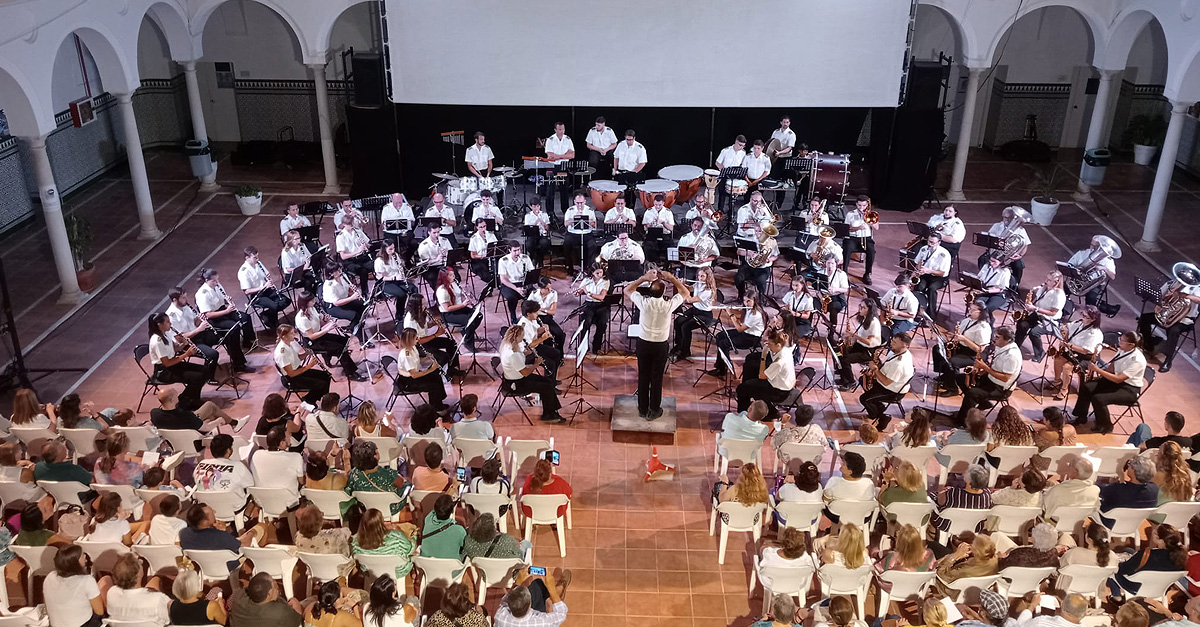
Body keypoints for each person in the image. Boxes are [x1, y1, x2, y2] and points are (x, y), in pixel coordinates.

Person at [625, 270, 689, 419]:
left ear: (650, 291)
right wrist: (672, 278)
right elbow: (685, 292)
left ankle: (642, 408)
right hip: (660, 345)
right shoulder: (668, 305)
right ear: (663, 292)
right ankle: (654, 410)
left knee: (643, 376)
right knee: (657, 378)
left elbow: (627, 290)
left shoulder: (644, 302)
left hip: (644, 343)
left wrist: (643, 278)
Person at [1072, 331, 1147, 434]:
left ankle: (1105, 426)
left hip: (1129, 389)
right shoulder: (1122, 350)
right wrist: (1100, 375)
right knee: (1087, 386)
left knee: (1099, 398)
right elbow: (1113, 366)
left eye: (1122, 341)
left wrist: (1097, 370)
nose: (1119, 342)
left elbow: (1118, 379)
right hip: (1116, 381)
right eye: (1120, 339)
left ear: (1131, 345)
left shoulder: (1137, 360)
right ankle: (1081, 416)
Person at [167, 286, 246, 378]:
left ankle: (238, 364)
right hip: (189, 342)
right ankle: (209, 377)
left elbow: (195, 323)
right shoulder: (171, 316)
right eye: (183, 298)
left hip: (199, 334)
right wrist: (199, 329)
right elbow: (180, 339)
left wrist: (200, 319)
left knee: (230, 335)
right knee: (213, 354)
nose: (187, 300)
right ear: (175, 300)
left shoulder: (185, 307)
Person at [954, 326, 1021, 426]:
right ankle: (982, 403)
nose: (994, 339)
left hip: (1000, 387)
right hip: (991, 378)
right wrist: (982, 371)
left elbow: (1005, 378)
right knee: (961, 378)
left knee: (972, 393)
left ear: (1007, 340)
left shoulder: (1011, 356)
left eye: (997, 337)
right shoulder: (1000, 346)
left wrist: (985, 367)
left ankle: (963, 422)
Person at [294, 290, 364, 382]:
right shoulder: (302, 318)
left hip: (319, 335)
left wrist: (325, 320)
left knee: (344, 340)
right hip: (312, 342)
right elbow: (312, 336)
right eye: (311, 300)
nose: (314, 301)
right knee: (339, 348)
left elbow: (319, 324)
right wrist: (328, 328)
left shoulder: (311, 309)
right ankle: (350, 373)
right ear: (305, 303)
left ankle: (329, 355)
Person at [499, 324, 564, 423]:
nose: (523, 337)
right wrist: (536, 364)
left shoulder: (508, 345)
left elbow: (518, 361)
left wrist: (525, 353)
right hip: (516, 384)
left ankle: (551, 410)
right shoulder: (512, 354)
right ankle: (549, 415)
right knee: (546, 387)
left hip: (517, 378)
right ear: (517, 337)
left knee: (548, 381)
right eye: (522, 335)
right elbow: (525, 373)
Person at [147, 312, 207, 411]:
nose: (170, 324)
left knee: (204, 370)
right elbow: (167, 363)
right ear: (160, 325)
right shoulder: (157, 341)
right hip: (164, 371)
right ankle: (184, 401)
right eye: (167, 322)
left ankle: (191, 399)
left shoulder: (165, 334)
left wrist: (183, 344)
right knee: (196, 377)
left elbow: (173, 350)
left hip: (173, 364)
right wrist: (186, 354)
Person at [737, 329, 796, 421]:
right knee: (750, 370)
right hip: (781, 382)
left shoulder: (780, 362)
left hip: (778, 391)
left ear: (778, 345)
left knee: (741, 388)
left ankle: (745, 413)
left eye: (770, 344)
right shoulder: (785, 349)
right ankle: (752, 404)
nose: (768, 346)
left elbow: (762, 376)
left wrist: (763, 356)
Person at [858, 332, 914, 430]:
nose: (891, 343)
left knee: (864, 399)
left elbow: (886, 382)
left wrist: (875, 369)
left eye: (895, 342)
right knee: (863, 380)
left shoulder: (900, 364)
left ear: (904, 345)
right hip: (886, 383)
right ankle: (877, 406)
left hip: (892, 391)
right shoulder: (896, 351)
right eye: (892, 340)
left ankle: (882, 418)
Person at [934, 302, 992, 396]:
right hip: (962, 347)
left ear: (981, 312)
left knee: (952, 362)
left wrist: (964, 339)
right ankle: (945, 376)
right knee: (937, 349)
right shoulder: (967, 320)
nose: (970, 311)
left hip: (974, 354)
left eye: (973, 310)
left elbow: (979, 349)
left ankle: (953, 388)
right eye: (970, 309)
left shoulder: (983, 327)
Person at [708, 288, 767, 379]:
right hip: (745, 333)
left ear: (755, 301)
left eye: (748, 301)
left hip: (751, 338)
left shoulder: (756, 315)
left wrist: (731, 314)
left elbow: (739, 329)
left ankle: (723, 369)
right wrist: (740, 312)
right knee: (720, 336)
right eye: (744, 301)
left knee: (724, 343)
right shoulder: (749, 309)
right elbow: (741, 322)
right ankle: (720, 366)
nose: (746, 303)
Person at [1113, 523, 1187, 596]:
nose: (1152, 532)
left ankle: (1116, 596)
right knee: (1128, 550)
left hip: (1136, 587)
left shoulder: (1146, 555)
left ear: (1160, 540)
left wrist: (1119, 562)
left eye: (1155, 532)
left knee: (1112, 565)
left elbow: (1123, 569)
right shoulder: (1180, 559)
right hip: (1160, 589)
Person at [1049, 305, 1104, 400]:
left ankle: (1064, 389)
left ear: (1093, 319)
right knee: (1058, 359)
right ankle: (1057, 380)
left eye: (1085, 317)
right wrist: (1064, 331)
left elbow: (1086, 351)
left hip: (1085, 357)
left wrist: (1069, 345)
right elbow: (1067, 326)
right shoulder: (1079, 323)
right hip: (1072, 351)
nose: (1083, 318)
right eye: (1082, 314)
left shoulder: (1095, 333)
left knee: (1067, 367)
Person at [44, 544, 105, 627]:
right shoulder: (87, 580)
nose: (85, 556)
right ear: (74, 563)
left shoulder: (49, 577)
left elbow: (47, 606)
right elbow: (99, 611)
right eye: (81, 555)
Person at [103, 552, 171, 626]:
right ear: (138, 574)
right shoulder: (158, 599)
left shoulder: (112, 593)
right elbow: (169, 618)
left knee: (156, 579)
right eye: (139, 563)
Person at [195, 268, 256, 351]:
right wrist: (226, 311)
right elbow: (208, 314)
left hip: (223, 311)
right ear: (207, 280)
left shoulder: (217, 286)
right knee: (234, 327)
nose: (217, 282)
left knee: (246, 317)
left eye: (218, 279)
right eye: (214, 281)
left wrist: (227, 300)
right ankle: (236, 355)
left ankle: (248, 342)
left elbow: (220, 299)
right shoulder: (202, 294)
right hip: (215, 319)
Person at [345, 440, 410, 518]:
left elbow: (348, 490)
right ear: (375, 457)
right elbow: (401, 483)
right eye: (377, 451)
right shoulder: (388, 474)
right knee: (407, 484)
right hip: (390, 509)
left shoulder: (354, 473)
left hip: (366, 508)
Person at [1014, 272, 1067, 363]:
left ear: (1056, 282)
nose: (1046, 281)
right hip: (1038, 314)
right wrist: (1031, 305)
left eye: (1049, 280)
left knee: (1034, 332)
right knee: (1022, 324)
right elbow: (1037, 301)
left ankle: (1040, 353)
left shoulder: (1059, 295)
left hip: (1049, 320)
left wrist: (1036, 309)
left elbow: (1053, 313)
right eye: (1046, 278)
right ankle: (1015, 346)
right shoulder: (1043, 288)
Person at [274, 324, 330, 406]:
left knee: (326, 375)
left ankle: (317, 398)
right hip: (291, 379)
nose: (294, 335)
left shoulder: (289, 344)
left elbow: (297, 358)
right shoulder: (282, 353)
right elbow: (291, 374)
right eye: (291, 333)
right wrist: (309, 366)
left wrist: (307, 353)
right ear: (284, 337)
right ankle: (310, 400)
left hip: (297, 370)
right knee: (321, 384)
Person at [352, 508, 416, 580]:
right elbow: (411, 549)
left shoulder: (356, 543)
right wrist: (400, 531)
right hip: (398, 571)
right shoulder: (396, 537)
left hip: (370, 572)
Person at [393, 328, 449, 410]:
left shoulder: (413, 347)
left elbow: (418, 360)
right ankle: (436, 409)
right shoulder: (406, 355)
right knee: (433, 385)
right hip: (408, 382)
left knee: (436, 376)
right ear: (410, 340)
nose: (418, 339)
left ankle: (438, 402)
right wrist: (430, 370)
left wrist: (429, 358)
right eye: (416, 338)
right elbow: (414, 375)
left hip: (414, 376)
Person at [670, 267, 718, 361]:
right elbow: (690, 288)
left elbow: (689, 300)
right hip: (695, 310)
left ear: (708, 277)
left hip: (704, 315)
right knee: (678, 321)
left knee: (685, 327)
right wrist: (682, 284)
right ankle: (679, 345)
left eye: (702, 276)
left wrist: (681, 287)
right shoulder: (699, 283)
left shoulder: (708, 290)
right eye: (699, 275)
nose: (699, 278)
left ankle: (685, 351)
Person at [250, 426, 305, 507]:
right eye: (288, 435)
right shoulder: (296, 457)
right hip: (289, 504)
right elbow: (301, 481)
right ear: (282, 443)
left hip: (263, 502)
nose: (290, 436)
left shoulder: (256, 455)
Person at [833, 299, 882, 391]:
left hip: (868, 351)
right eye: (860, 306)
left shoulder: (874, 322)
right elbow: (861, 335)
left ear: (869, 310)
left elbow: (869, 342)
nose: (860, 309)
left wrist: (853, 335)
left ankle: (851, 382)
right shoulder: (864, 318)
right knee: (838, 353)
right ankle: (843, 377)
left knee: (845, 360)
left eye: (863, 307)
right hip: (859, 345)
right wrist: (849, 339)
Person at [237, 246, 290, 330]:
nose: (257, 259)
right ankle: (274, 323)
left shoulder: (258, 263)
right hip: (257, 296)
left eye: (257, 256)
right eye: (255, 257)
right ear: (247, 258)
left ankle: (266, 315)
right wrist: (263, 287)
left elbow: (266, 275)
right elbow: (247, 291)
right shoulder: (243, 272)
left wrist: (269, 280)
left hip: (267, 290)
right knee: (274, 306)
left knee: (285, 300)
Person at [1098, 454, 1158, 528]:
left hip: (1110, 522)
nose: (1128, 466)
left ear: (1133, 471)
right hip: (1134, 524)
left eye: (1130, 465)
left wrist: (1112, 483)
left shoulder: (1119, 489)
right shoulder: (1154, 489)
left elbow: (1100, 489)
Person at [930, 463, 992, 533]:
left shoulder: (953, 492)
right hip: (974, 527)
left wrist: (941, 491)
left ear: (968, 480)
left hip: (947, 526)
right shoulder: (987, 495)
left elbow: (938, 500)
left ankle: (931, 532)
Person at [228, 569, 302, 627]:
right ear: (269, 594)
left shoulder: (238, 597)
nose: (276, 587)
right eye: (274, 585)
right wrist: (296, 604)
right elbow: (297, 620)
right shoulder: (280, 612)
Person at [977, 206, 1031, 285]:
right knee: (981, 260)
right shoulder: (997, 226)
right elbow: (988, 239)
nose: (1006, 220)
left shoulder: (1020, 230)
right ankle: (984, 279)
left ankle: (1015, 285)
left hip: (1011, 256)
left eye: (1009, 218)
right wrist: (996, 243)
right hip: (995, 252)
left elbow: (1025, 244)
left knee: (1019, 266)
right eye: (1004, 217)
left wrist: (1020, 255)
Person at [151, 387, 238, 434]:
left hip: (173, 439)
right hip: (192, 437)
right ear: (172, 400)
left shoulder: (154, 413)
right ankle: (234, 423)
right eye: (176, 395)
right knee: (212, 414)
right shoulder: (185, 416)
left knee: (210, 409)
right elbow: (206, 428)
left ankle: (234, 423)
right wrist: (219, 420)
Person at [193, 434, 254, 500]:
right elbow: (251, 485)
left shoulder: (200, 464)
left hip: (205, 503)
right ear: (228, 450)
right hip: (233, 504)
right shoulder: (239, 466)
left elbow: (196, 480)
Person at [435, 267, 481, 353]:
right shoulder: (442, 291)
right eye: (451, 275)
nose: (454, 277)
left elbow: (458, 296)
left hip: (458, 307)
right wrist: (463, 305)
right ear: (444, 277)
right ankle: (468, 341)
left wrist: (466, 296)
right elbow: (447, 308)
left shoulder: (454, 283)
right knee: (470, 321)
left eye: (453, 274)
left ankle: (466, 333)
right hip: (448, 314)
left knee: (478, 315)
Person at [1042, 455, 1100, 521]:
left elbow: (1045, 508)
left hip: (1053, 523)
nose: (1068, 467)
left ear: (1075, 471)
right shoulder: (1095, 491)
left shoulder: (1058, 490)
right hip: (1077, 524)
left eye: (1070, 465)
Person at [1065, 235, 1118, 306]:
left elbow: (1113, 277)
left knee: (1091, 297)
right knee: (1062, 288)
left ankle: (1089, 311)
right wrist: (1078, 268)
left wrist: (1104, 268)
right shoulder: (1082, 253)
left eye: (1096, 246)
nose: (1092, 248)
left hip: (1093, 285)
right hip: (1077, 280)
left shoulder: (1108, 260)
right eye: (1092, 245)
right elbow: (1069, 265)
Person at [517, 300, 562, 381]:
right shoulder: (523, 326)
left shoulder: (532, 319)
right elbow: (529, 345)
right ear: (528, 314)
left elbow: (536, 331)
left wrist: (544, 328)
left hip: (535, 347)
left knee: (557, 353)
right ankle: (549, 384)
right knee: (550, 363)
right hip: (527, 353)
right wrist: (543, 338)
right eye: (535, 312)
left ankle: (552, 381)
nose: (537, 313)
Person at [736, 221, 779, 301]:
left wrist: (768, 259)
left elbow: (775, 256)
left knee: (760, 280)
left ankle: (761, 298)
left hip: (763, 268)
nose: (758, 233)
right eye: (756, 230)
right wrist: (750, 253)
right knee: (738, 278)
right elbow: (739, 251)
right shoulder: (749, 238)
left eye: (760, 231)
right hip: (749, 266)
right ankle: (741, 295)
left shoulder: (772, 242)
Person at [572, 263, 610, 354]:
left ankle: (596, 346)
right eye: (597, 273)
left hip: (601, 305)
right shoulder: (587, 280)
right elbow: (580, 292)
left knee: (602, 324)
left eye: (601, 272)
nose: (600, 275)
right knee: (586, 323)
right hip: (588, 304)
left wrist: (588, 292)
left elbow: (601, 297)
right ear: (592, 273)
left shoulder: (606, 281)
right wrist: (578, 292)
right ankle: (583, 346)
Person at [841, 195, 878, 284]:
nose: (861, 207)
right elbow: (846, 229)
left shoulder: (871, 214)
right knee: (847, 249)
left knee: (871, 251)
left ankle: (867, 274)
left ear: (867, 205)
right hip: (852, 238)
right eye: (859, 205)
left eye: (864, 205)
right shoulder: (850, 214)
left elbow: (876, 227)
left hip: (866, 238)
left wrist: (869, 221)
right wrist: (857, 228)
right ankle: (844, 273)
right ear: (856, 204)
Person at [497, 241, 535, 325]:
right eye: (515, 251)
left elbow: (532, 272)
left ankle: (528, 315)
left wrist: (527, 285)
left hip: (523, 283)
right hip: (509, 284)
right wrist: (517, 289)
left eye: (519, 250)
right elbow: (503, 279)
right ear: (509, 250)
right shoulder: (503, 260)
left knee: (534, 294)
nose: (517, 253)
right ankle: (513, 317)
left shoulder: (525, 258)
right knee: (511, 298)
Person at [563, 193, 597, 273]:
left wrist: (587, 220)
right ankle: (569, 267)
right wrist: (575, 218)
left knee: (593, 245)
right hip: (573, 234)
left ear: (584, 201)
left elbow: (594, 225)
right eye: (578, 203)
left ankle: (589, 267)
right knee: (566, 244)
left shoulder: (589, 210)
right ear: (575, 202)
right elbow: (565, 224)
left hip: (586, 233)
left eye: (581, 203)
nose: (579, 205)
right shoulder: (570, 210)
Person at [612, 129, 647, 207]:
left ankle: (630, 210)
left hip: (632, 172)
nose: (629, 141)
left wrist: (634, 172)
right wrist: (615, 169)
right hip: (621, 171)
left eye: (631, 140)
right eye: (627, 139)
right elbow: (616, 157)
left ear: (634, 138)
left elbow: (642, 163)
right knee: (618, 193)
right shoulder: (621, 145)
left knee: (630, 195)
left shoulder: (639, 148)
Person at [975, 254, 1013, 324]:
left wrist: (988, 291)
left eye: (994, 261)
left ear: (1001, 262)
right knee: (978, 304)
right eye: (991, 260)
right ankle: (984, 320)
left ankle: (990, 323)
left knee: (987, 308)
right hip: (985, 291)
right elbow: (979, 278)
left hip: (998, 294)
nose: (991, 263)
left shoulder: (1005, 271)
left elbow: (1001, 289)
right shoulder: (986, 266)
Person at [880, 273, 920, 337]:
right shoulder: (892, 291)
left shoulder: (911, 298)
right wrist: (882, 319)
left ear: (907, 285)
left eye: (900, 286)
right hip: (890, 317)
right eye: (896, 286)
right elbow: (882, 304)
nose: (897, 288)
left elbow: (912, 315)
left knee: (892, 333)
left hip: (904, 320)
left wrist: (897, 313)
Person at [715, 135, 747, 213]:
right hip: (725, 174)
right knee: (722, 193)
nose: (741, 147)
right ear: (736, 142)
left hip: (735, 175)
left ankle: (730, 211)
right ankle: (720, 211)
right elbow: (717, 162)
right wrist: (724, 170)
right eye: (740, 145)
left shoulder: (743, 153)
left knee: (733, 194)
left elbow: (743, 164)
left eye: (743, 146)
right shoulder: (725, 151)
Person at [641, 193, 675, 262]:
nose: (657, 207)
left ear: (663, 203)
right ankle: (651, 263)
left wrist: (663, 223)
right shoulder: (649, 211)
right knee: (648, 246)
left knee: (669, 245)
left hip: (664, 234)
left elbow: (671, 228)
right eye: (656, 204)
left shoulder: (668, 212)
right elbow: (645, 228)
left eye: (660, 205)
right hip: (652, 234)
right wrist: (649, 225)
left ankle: (667, 264)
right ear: (654, 202)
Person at [523, 198, 552, 267]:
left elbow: (548, 228)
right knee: (528, 244)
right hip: (532, 235)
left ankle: (540, 258)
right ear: (531, 207)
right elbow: (527, 228)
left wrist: (542, 222)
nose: (536, 208)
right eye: (534, 206)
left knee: (544, 243)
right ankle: (534, 256)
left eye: (537, 206)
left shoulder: (544, 214)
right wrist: (535, 223)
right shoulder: (528, 216)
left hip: (542, 235)